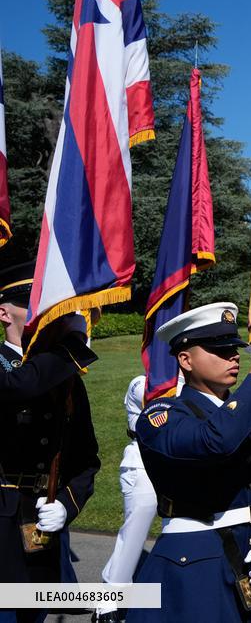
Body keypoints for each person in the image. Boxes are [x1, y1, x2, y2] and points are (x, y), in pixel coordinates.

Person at [131, 302, 251, 622]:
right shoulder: (160, 417)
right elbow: (215, 441)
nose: (233, 356)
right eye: (218, 350)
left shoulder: (246, 414)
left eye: (234, 348)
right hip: (192, 568)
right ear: (185, 359)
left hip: (249, 565)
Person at [0, 261, 101, 623]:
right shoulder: (45, 369)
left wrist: (66, 505)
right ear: (3, 311)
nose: (45, 315)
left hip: (39, 530)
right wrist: (71, 347)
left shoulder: (65, 380)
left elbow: (86, 459)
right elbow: (18, 386)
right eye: (33, 304)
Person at [94, 375, 162, 623]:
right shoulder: (141, 383)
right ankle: (107, 602)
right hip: (142, 461)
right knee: (133, 535)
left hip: (177, 462)